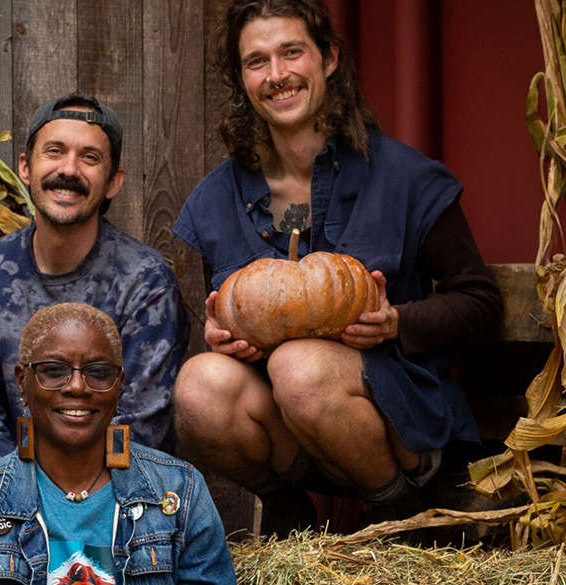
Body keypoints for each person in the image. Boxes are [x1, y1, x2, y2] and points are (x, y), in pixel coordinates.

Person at [171, 0, 503, 529]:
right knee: (198, 385)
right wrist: (229, 336)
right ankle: (289, 513)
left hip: (399, 423)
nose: (277, 75)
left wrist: (398, 322)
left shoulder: (403, 176)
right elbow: (244, 311)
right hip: (295, 432)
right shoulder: (220, 197)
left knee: (298, 366)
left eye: (291, 53)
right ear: (240, 78)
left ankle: (397, 510)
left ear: (327, 59)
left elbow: (480, 302)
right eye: (257, 61)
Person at [0, 92, 190, 472]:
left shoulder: (145, 281)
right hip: (10, 474)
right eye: (55, 151)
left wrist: (64, 496)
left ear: (113, 182)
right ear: (26, 167)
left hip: (112, 488)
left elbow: (141, 429)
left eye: (89, 158)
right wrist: (22, 491)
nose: (69, 170)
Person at [0, 303, 234, 584]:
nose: (77, 386)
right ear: (23, 382)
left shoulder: (180, 491)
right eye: (54, 370)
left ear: (119, 386)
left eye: (98, 372)